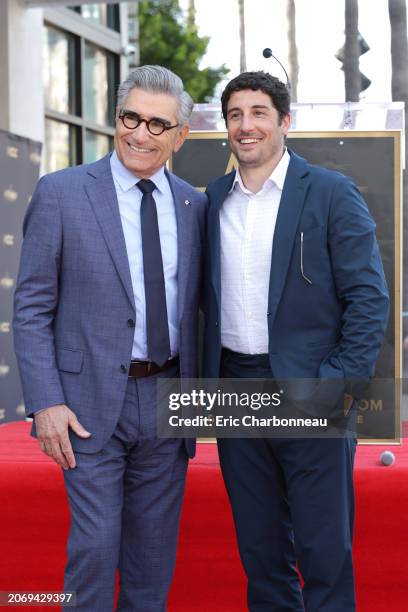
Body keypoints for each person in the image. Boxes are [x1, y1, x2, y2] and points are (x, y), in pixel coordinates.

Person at [13, 65, 207, 611]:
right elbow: (31, 307)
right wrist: (46, 401)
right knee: (95, 552)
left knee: (152, 562)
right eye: (131, 118)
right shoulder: (61, 193)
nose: (141, 134)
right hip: (88, 403)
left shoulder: (195, 205)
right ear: (114, 118)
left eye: (157, 124)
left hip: (170, 400)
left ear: (180, 136)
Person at [203, 71, 389, 611]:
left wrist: (337, 388)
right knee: (261, 554)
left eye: (259, 112)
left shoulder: (331, 193)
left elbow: (368, 298)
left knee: (324, 552)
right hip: (237, 391)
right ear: (226, 127)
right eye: (236, 115)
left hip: (313, 392)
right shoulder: (212, 200)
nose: (247, 125)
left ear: (285, 122)